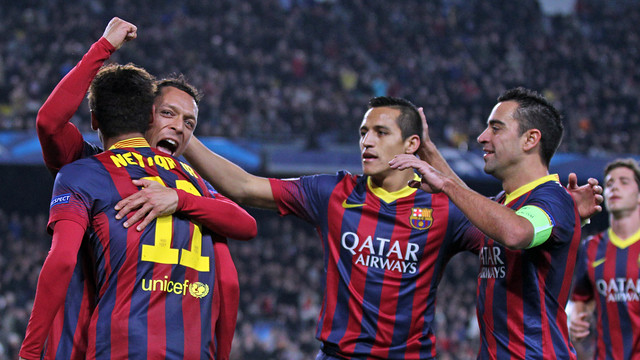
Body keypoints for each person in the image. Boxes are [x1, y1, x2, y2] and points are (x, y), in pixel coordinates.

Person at [132, 93, 599, 359]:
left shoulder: (446, 210)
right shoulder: (334, 191)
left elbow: (509, 232)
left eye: (379, 132)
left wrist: (559, 216)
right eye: (362, 132)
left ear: (410, 143)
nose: (366, 142)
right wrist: (188, 140)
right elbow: (247, 187)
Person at [33, 17, 250, 360]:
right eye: (168, 113)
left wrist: (179, 199)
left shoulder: (192, 185)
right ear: (148, 115)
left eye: (189, 123)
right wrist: (103, 48)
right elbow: (49, 122)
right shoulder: (88, 165)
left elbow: (243, 230)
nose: (178, 128)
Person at [390, 87, 585, 359]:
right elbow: (479, 209)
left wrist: (445, 184)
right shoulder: (503, 203)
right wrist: (427, 150)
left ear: (530, 139)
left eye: (496, 128)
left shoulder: (554, 198)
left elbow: (517, 232)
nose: (482, 137)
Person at [569, 158, 640, 359]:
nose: (614, 187)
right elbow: (581, 298)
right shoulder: (591, 247)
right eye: (609, 183)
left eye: (624, 182)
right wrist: (576, 319)